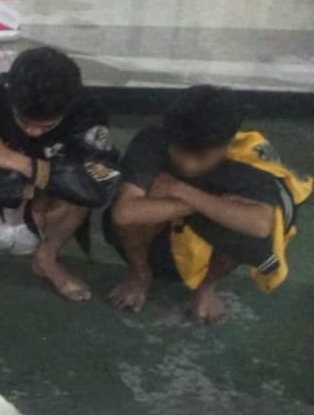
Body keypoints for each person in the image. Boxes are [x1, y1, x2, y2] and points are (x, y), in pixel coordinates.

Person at [106, 85, 309, 325]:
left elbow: (260, 225)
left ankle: (206, 288)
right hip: (159, 240)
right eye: (179, 152)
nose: (188, 165)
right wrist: (209, 204)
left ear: (227, 145)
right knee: (132, 208)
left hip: (206, 244)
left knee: (245, 230)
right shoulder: (153, 139)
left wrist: (181, 191)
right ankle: (140, 275)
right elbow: (124, 213)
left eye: (201, 158)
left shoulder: (250, 161)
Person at [0, 46, 120, 300]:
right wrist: (47, 179)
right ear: (11, 96)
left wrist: (13, 160)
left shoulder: (87, 111)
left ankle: (47, 258)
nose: (33, 132)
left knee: (80, 191)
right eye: (24, 121)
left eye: (46, 126)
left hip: (45, 212)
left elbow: (98, 187)